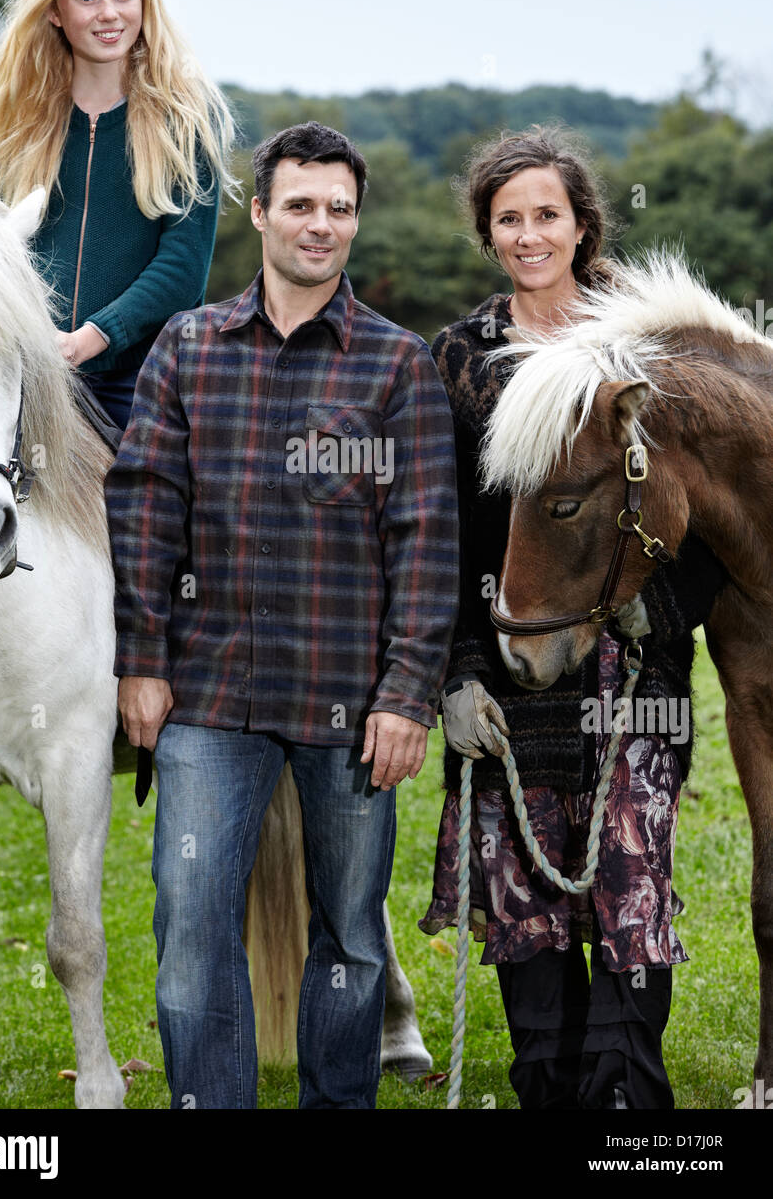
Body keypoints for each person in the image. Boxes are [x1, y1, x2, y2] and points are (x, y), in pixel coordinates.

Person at [103, 121, 459, 1109]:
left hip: (351, 703)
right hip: (208, 696)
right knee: (190, 921)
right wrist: (139, 659)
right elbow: (143, 508)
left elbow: (426, 541)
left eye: (338, 208)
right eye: (298, 203)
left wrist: (406, 697)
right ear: (258, 213)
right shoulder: (188, 347)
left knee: (347, 929)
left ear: (355, 221)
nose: (319, 224)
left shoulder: (396, 367)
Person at [419, 125, 728, 1110]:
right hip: (509, 658)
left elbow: (695, 514)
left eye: (544, 214)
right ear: (487, 232)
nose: (526, 234)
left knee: (628, 872)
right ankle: (546, 1082)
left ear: (582, 221)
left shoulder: (641, 347)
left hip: (634, 668)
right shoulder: (459, 360)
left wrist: (654, 615)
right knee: (521, 884)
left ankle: (625, 1091)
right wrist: (457, 673)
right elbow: (446, 535)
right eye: (506, 219)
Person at [0, 0, 236, 430]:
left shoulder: (183, 119)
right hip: (27, 372)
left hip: (141, 382)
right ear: (54, 11)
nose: (109, 13)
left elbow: (181, 268)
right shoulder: (23, 119)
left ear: (144, 2)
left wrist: (90, 338)